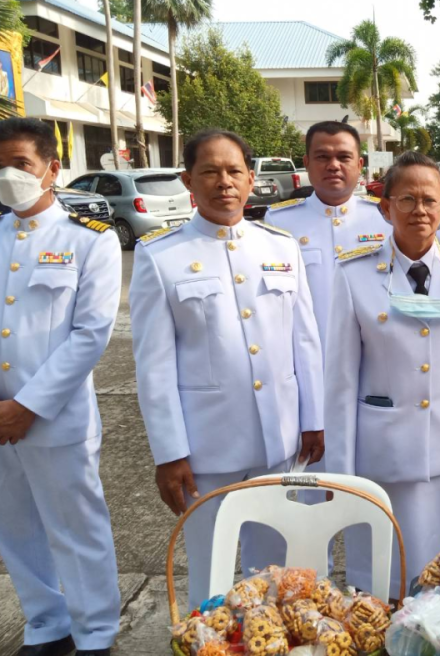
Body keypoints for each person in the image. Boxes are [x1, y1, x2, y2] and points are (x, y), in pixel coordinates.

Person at [130, 129, 324, 611]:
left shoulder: (280, 247)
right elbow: (154, 365)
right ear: (188, 180)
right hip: (205, 448)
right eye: (210, 171)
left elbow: (305, 341)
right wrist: (169, 452)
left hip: (277, 440)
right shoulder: (161, 256)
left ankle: (274, 638)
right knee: (211, 564)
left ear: (251, 178)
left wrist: (312, 418)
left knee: (277, 563)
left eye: (234, 170)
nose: (224, 182)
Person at [0, 118, 121, 656]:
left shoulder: (89, 242)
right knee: (13, 527)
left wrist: (27, 406)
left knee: (76, 529)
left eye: (20, 165)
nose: (7, 176)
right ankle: (46, 626)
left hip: (56, 418)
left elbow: (90, 335)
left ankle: (97, 633)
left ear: (52, 170)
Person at [324, 151, 440, 597]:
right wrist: (341, 474)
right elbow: (341, 381)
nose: (419, 210)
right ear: (385, 207)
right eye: (406, 200)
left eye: (429, 200)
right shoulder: (353, 273)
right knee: (383, 579)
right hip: (383, 455)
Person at [266, 121, 391, 349]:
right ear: (307, 163)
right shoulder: (279, 222)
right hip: (311, 356)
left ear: (359, 164)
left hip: (374, 357)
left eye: (344, 157)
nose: (333, 165)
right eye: (322, 157)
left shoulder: (385, 217)